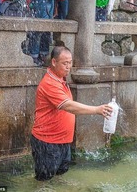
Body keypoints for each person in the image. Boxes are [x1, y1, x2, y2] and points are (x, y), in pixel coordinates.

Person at [30, 45, 113, 181]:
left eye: (70, 63)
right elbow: (68, 106)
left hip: (63, 141)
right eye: (65, 63)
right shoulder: (49, 83)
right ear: (54, 62)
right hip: (47, 142)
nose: (68, 67)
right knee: (43, 181)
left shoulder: (61, 79)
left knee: (59, 175)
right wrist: (97, 110)